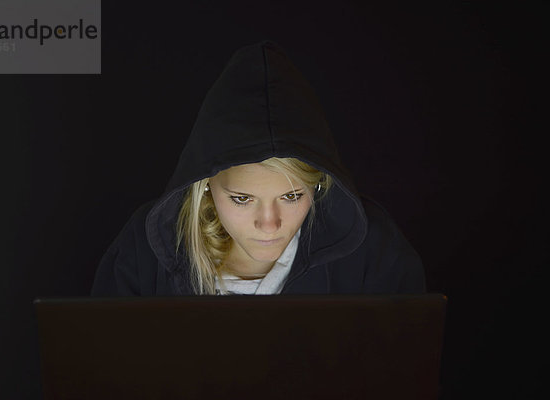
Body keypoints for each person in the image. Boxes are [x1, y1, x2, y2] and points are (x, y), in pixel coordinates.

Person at [91, 40, 426, 296]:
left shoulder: (375, 251)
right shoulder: (144, 252)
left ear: (320, 185)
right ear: (205, 184)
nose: (269, 225)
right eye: (241, 199)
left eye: (292, 196)